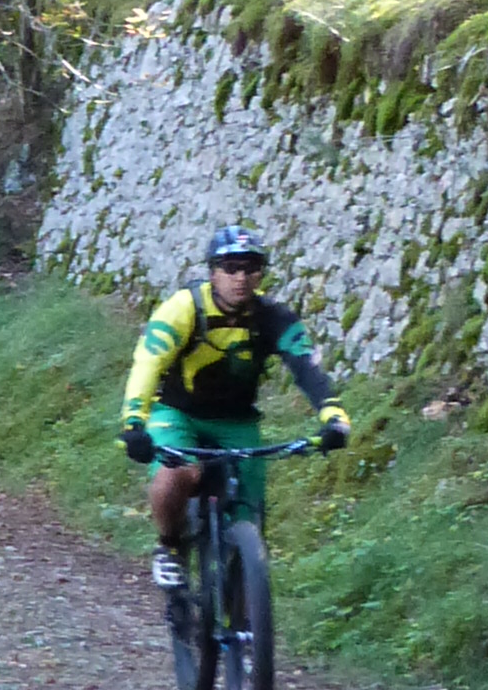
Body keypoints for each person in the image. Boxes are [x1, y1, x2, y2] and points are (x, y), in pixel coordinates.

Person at [118, 223, 350, 617]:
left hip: (237, 422)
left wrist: (332, 415)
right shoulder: (183, 308)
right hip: (177, 413)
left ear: (260, 274)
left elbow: (306, 368)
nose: (240, 277)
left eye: (251, 268)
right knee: (177, 474)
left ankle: (243, 630)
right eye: (230, 268)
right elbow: (149, 361)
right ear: (212, 271)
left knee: (249, 526)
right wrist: (133, 423)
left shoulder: (272, 317)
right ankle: (170, 546)